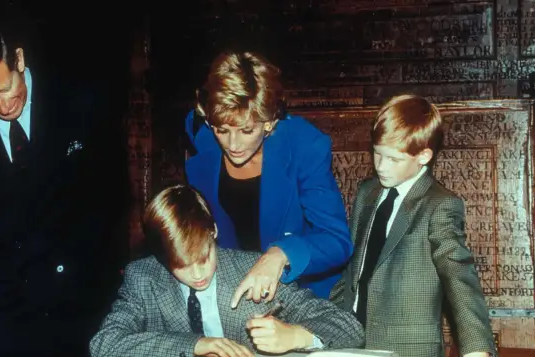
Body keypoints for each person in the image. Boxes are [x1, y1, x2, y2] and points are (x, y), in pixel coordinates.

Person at [0, 9, 128, 357]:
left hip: (84, 292)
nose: (4, 105)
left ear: (18, 59)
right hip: (9, 296)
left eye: (6, 87)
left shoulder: (81, 100)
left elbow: (111, 193)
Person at [90, 185, 364, 357]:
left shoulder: (252, 271)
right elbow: (105, 344)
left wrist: (295, 336)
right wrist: (197, 345)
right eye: (181, 266)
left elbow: (349, 328)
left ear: (214, 232)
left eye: (203, 257)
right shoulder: (144, 278)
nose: (198, 274)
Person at [329, 94, 496, 357]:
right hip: (350, 342)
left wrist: (477, 348)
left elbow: (459, 276)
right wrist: (326, 323)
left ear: (423, 156)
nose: (381, 166)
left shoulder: (439, 205)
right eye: (377, 153)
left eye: (394, 159)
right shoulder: (367, 193)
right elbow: (352, 270)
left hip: (408, 347)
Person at [184, 51, 352, 304]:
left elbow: (337, 241)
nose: (233, 144)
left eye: (247, 130)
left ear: (270, 122)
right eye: (222, 130)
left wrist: (281, 254)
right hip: (230, 290)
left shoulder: (304, 146)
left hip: (301, 294)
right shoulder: (205, 135)